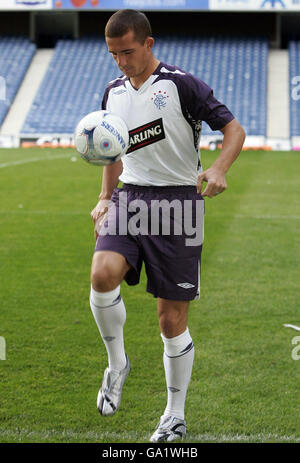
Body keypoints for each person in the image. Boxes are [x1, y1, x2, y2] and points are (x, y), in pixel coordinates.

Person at [89, 9, 245, 442]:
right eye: (113, 54)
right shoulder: (113, 92)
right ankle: (117, 363)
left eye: (128, 52)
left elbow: (233, 129)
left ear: (149, 44)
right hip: (131, 197)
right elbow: (111, 151)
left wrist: (218, 168)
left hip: (179, 203)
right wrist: (105, 197)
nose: (121, 62)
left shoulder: (182, 85)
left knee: (170, 319)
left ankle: (174, 415)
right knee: (102, 274)